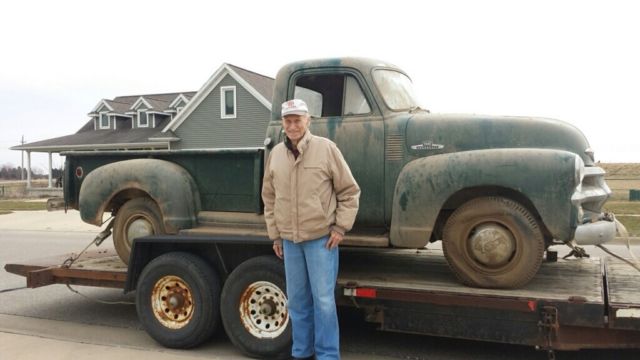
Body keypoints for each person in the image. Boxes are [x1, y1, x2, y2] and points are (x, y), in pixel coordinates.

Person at [262, 99, 360, 360]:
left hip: (321, 240)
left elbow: (349, 192)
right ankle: (301, 353)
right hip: (290, 242)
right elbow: (269, 198)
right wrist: (276, 235)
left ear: (308, 121)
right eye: (288, 120)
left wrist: (340, 227)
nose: (293, 125)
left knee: (324, 302)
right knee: (297, 303)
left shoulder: (326, 149)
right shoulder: (276, 156)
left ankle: (328, 356)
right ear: (282, 124)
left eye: (298, 120)